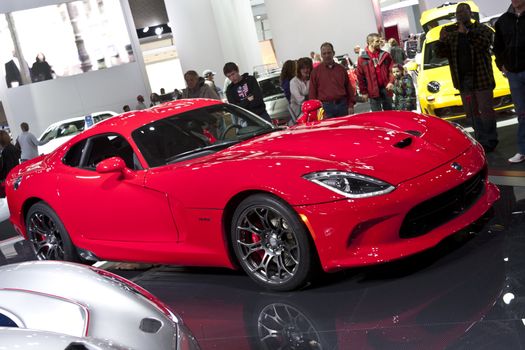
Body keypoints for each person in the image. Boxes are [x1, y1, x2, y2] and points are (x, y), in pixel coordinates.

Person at [436, 2, 498, 153]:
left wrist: (467, 33)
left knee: (486, 111)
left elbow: (484, 44)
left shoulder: (482, 29)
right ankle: (480, 140)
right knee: (471, 113)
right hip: (463, 81)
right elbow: (440, 54)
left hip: (482, 78)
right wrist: (441, 40)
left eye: (463, 12)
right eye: (458, 13)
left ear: (470, 13)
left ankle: (491, 140)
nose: (460, 15)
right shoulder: (452, 33)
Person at [494, 0, 525, 163]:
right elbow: (497, 47)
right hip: (514, 74)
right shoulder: (503, 21)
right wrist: (502, 66)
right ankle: (523, 150)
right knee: (522, 114)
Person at [309, 42, 355, 118]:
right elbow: (312, 94)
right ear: (321, 55)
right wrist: (318, 112)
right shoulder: (315, 72)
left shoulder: (341, 69)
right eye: (324, 53)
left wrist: (351, 105)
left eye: (329, 53)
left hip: (343, 106)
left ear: (333, 53)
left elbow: (349, 89)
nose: (327, 55)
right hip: (325, 109)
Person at [356, 33, 395, 111]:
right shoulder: (362, 59)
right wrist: (364, 92)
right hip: (372, 91)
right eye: (377, 41)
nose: (380, 43)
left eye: (380, 41)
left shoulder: (385, 55)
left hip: (386, 88)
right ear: (370, 43)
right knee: (377, 115)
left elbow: (392, 70)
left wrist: (391, 82)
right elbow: (360, 77)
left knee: (390, 113)